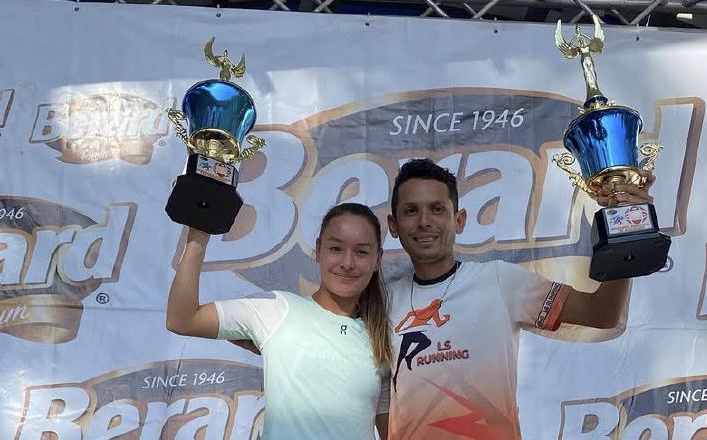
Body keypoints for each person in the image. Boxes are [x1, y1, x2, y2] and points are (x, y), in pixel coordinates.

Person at [385, 158, 654, 439]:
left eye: (437, 209)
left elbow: (602, 313)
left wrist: (627, 231)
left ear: (460, 219)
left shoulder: (500, 281)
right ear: (394, 224)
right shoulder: (382, 303)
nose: (424, 222)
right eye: (411, 211)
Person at [166, 202, 391, 440]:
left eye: (362, 252)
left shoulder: (386, 337)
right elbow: (183, 319)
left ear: (378, 259)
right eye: (335, 248)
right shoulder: (275, 309)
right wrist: (199, 235)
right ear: (318, 249)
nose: (347, 263)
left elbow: (391, 432)